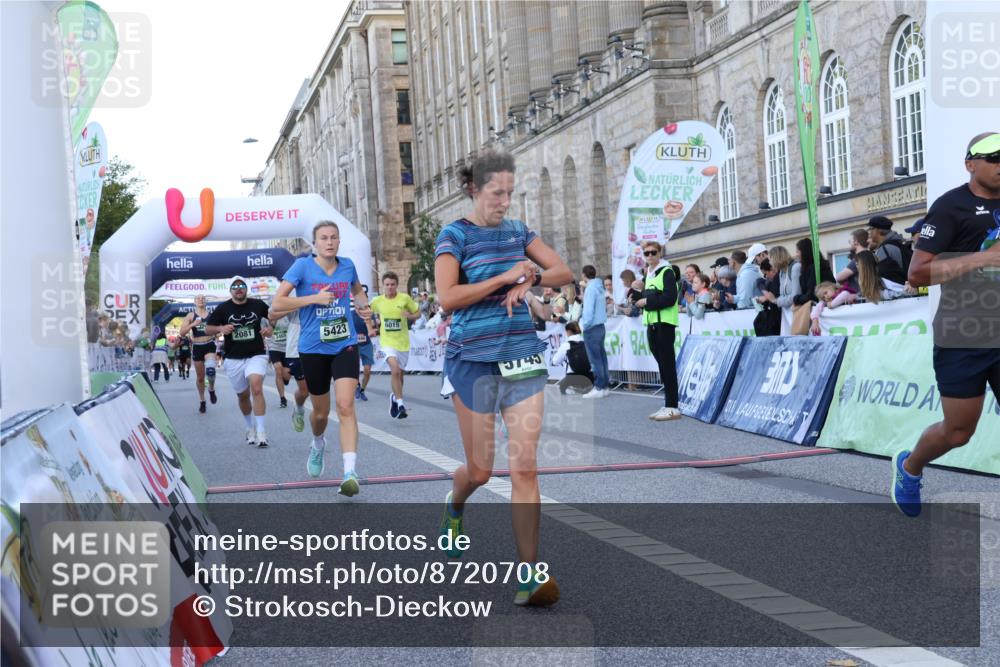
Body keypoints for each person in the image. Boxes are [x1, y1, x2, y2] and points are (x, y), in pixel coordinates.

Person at [434, 149, 571, 606]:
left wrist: (529, 279)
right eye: (497, 193)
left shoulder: (518, 232)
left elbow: (562, 271)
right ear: (474, 189)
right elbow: (448, 297)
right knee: (480, 470)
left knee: (524, 467)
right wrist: (504, 278)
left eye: (510, 193)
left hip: (521, 357)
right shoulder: (454, 235)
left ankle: (529, 574)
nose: (505, 202)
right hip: (471, 360)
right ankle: (455, 504)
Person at [891, 131, 1000, 517]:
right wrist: (983, 259)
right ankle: (910, 466)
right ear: (971, 163)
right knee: (958, 432)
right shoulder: (951, 206)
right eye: (994, 158)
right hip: (964, 333)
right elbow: (917, 273)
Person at [272, 222, 372, 495]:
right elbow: (277, 304)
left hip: (344, 345)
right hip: (313, 348)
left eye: (334, 238)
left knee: (346, 405)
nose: (329, 242)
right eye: (324, 238)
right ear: (315, 244)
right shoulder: (302, 267)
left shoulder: (348, 265)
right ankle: (318, 443)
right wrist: (312, 298)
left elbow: (358, 292)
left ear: (339, 241)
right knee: (320, 413)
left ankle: (350, 472)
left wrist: (365, 310)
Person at [204, 276, 274, 448]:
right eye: (235, 287)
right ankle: (250, 427)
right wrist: (221, 328)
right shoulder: (223, 308)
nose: (238, 289)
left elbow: (272, 316)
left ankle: (261, 431)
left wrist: (270, 327)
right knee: (243, 396)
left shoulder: (258, 305)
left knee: (256, 386)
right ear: (231, 291)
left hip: (256, 354)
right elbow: (207, 328)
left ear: (246, 289)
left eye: (241, 286)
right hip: (233, 358)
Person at [634, 240, 681, 421]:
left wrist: (647, 301)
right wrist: (639, 297)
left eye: (653, 252)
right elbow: (651, 295)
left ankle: (672, 406)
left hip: (664, 323)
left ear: (660, 253)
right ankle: (669, 403)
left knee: (667, 365)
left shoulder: (666, 271)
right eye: (647, 253)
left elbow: (669, 298)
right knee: (663, 366)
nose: (650, 256)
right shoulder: (650, 273)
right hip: (652, 323)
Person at [370, 272, 420, 419]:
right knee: (395, 371)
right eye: (387, 285)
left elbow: (417, 313)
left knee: (400, 375)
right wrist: (369, 326)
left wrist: (409, 316)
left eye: (392, 284)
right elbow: (366, 311)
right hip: (387, 343)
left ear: (396, 285)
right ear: (383, 285)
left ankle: (394, 397)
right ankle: (400, 404)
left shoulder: (404, 298)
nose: (390, 287)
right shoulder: (377, 301)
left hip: (403, 343)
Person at [268, 298, 310, 433]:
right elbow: (272, 314)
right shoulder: (293, 295)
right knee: (304, 391)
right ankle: (298, 407)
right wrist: (301, 303)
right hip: (293, 349)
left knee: (319, 392)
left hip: (318, 347)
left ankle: (318, 440)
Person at [179, 295, 220, 413]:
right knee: (201, 378)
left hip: (209, 344)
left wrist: (217, 332)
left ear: (206, 301)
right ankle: (202, 400)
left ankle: (211, 389)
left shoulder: (211, 315)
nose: (201, 300)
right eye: (198, 298)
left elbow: (218, 328)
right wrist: (193, 324)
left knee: (211, 370)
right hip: (197, 347)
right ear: (194, 302)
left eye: (203, 298)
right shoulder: (190, 316)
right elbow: (181, 332)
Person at [579, 264, 609, 398]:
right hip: (600, 325)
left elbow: (589, 310)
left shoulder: (590, 289)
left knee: (595, 359)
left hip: (591, 326)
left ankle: (598, 387)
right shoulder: (599, 287)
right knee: (601, 358)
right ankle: (604, 386)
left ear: (584, 275)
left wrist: (584, 325)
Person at [759, 245, 800, 335]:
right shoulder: (781, 272)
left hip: (797, 314)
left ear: (776, 258)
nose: (769, 262)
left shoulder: (795, 268)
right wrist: (778, 300)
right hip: (787, 315)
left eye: (770, 259)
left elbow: (795, 296)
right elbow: (783, 294)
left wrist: (776, 300)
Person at [551, 321, 594, 394]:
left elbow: (555, 361)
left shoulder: (566, 345)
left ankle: (574, 388)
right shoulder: (587, 343)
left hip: (573, 378)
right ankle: (587, 387)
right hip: (589, 377)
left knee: (561, 387)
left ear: (568, 331)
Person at [792, 238, 835, 308]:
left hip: (822, 306)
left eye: (798, 251)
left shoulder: (814, 268)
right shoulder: (816, 266)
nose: (796, 255)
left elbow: (811, 294)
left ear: (804, 252)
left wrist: (796, 298)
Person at [868, 215, 911, 285]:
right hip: (909, 288)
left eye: (870, 228)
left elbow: (884, 277)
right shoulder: (898, 243)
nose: (869, 232)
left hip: (900, 292)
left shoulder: (885, 249)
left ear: (878, 230)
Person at [834, 229, 869, 294]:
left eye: (850, 241)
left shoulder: (859, 258)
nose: (849, 243)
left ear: (856, 242)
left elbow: (839, 277)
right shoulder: (870, 255)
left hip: (859, 296)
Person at [353, 306, 375, 402]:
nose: (359, 306)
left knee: (367, 370)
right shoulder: (350, 314)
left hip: (366, 344)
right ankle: (357, 386)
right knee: (354, 368)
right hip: (354, 344)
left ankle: (362, 389)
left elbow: (374, 325)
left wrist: (372, 322)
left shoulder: (368, 313)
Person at [268, 314, 291, 408]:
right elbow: (266, 332)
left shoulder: (289, 315)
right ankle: (282, 398)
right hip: (274, 348)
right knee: (278, 370)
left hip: (288, 349)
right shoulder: (269, 316)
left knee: (286, 376)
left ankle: (285, 379)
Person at [736, 243, 767, 309]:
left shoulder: (749, 272)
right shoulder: (748, 273)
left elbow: (744, 297)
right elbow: (744, 297)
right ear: (762, 255)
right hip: (755, 312)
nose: (755, 262)